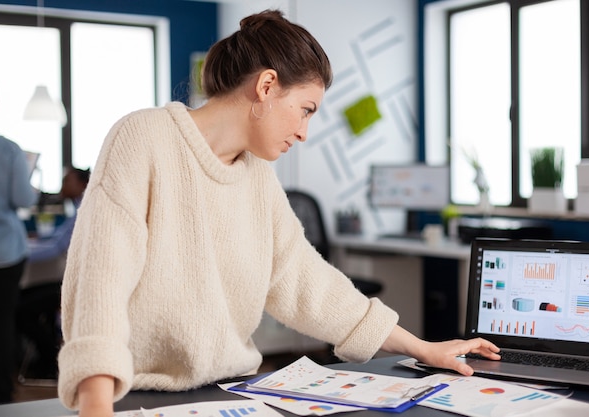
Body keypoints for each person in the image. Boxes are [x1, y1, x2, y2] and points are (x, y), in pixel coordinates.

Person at [57, 10, 501, 416]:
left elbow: (312, 284)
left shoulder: (256, 175)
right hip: (132, 398)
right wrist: (95, 402)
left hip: (229, 395)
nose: (304, 133)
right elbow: (100, 278)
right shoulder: (144, 138)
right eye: (305, 110)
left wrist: (423, 348)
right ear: (266, 87)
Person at [15, 167, 90, 379]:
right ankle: (47, 359)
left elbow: (57, 247)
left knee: (20, 310)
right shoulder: (77, 207)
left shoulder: (84, 209)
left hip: (74, 285)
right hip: (66, 281)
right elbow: (57, 239)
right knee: (23, 299)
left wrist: (20, 251)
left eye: (67, 180)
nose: (62, 185)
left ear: (81, 184)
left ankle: (50, 361)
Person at [0, 85, 39, 404]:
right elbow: (23, 199)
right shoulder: (7, 150)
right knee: (1, 322)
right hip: (4, 254)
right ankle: (0, 391)